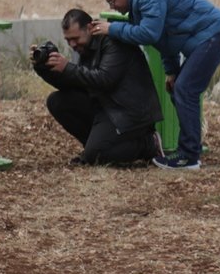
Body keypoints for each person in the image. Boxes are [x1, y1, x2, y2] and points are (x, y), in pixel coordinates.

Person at [93, 0, 220, 171]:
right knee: (180, 88)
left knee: (186, 90)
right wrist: (172, 72)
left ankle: (188, 157)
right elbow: (163, 39)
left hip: (215, 34)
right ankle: (188, 151)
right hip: (208, 37)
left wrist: (113, 29)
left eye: (112, 1)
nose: (112, 7)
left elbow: (148, 33)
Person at [33, 8, 164, 166]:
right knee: (57, 101)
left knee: (97, 156)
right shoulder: (87, 46)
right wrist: (43, 69)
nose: (72, 45)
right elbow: (77, 83)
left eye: (75, 38)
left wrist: (67, 67)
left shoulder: (113, 42)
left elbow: (104, 79)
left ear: (89, 28)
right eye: (68, 41)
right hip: (106, 106)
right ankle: (93, 146)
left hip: (130, 112)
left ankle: (148, 144)